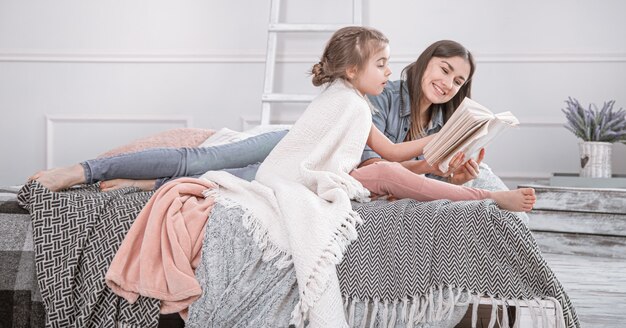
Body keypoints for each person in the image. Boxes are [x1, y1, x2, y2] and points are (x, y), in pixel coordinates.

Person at [29, 28, 535, 213]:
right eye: (444, 70)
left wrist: (446, 168)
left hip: (313, 168)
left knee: (210, 179)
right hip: (297, 147)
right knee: (201, 159)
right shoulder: (382, 92)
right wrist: (429, 162)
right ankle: (84, 170)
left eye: (457, 81)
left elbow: (396, 169)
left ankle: (132, 185)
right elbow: (379, 157)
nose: (447, 83)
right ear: (426, 63)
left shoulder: (431, 116)